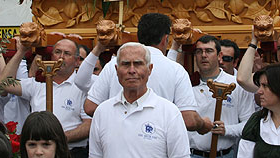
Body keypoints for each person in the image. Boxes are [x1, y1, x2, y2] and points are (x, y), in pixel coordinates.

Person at [87, 42, 193, 158]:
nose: (131, 70)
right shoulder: (102, 112)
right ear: (116, 70)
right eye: (125, 64)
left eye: (138, 64)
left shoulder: (169, 112)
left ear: (149, 69)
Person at [81, 13, 210, 135]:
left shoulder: (114, 64)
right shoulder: (176, 70)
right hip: (156, 144)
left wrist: (119, 119)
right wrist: (204, 124)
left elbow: (91, 107)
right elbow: (189, 120)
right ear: (165, 39)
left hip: (117, 138)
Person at [0, 38, 91, 158]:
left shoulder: (83, 86)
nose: (61, 57)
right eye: (57, 52)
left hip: (70, 156)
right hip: (37, 157)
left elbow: (88, 124)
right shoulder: (38, 83)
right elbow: (4, 84)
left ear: (77, 61)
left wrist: (60, 138)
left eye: (67, 53)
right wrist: (21, 51)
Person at [189, 35, 256, 158]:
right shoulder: (187, 84)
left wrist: (228, 130)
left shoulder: (236, 85)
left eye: (209, 51)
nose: (203, 55)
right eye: (199, 51)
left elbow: (250, 124)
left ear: (219, 56)